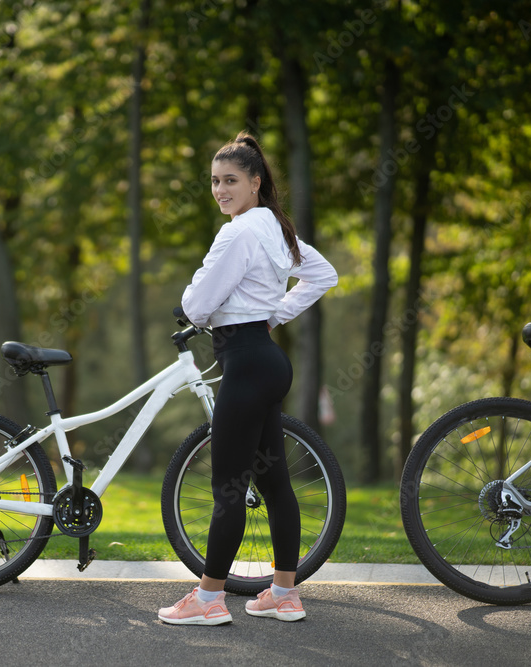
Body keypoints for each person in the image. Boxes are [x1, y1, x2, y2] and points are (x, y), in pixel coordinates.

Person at [157, 132, 338, 626]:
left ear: (256, 182)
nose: (220, 190)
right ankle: (283, 593)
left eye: (231, 180)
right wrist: (274, 315)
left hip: (245, 361)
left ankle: (209, 600)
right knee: (275, 483)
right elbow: (324, 276)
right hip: (267, 360)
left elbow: (196, 305)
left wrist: (255, 311)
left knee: (228, 488)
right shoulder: (275, 229)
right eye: (215, 181)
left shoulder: (238, 233)